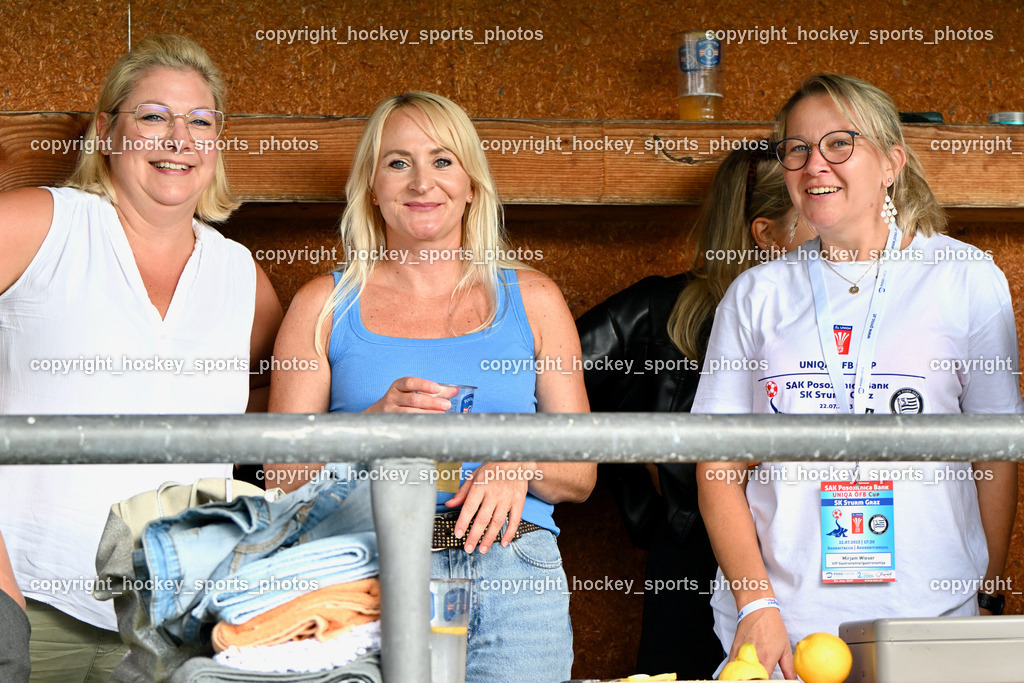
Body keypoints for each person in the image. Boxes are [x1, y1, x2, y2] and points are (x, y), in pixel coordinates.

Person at [694, 74, 1021, 679]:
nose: (815, 164)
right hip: (785, 626)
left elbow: (996, 453)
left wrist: (987, 595)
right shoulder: (756, 295)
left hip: (933, 617)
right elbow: (717, 466)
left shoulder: (966, 278)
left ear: (892, 163)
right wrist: (756, 605)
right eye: (797, 149)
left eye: (839, 144)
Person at [266, 91, 595, 683]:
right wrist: (370, 428)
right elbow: (281, 480)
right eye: (398, 162)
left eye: (443, 161)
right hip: (363, 571)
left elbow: (581, 472)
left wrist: (518, 461)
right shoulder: (323, 304)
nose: (422, 182)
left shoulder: (535, 299)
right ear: (372, 186)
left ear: (471, 185)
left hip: (513, 572)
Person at [0, 34, 283, 681]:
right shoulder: (43, 225)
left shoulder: (240, 275)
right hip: (28, 601)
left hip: (174, 624)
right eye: (154, 116)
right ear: (107, 132)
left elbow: (279, 406)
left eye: (200, 121)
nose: (178, 138)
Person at [575, 146, 816, 679]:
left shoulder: (842, 314)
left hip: (809, 553)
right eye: (812, 214)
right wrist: (644, 466)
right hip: (695, 563)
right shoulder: (657, 309)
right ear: (766, 234)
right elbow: (541, 389)